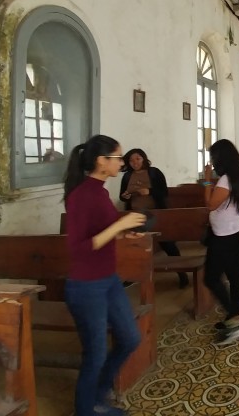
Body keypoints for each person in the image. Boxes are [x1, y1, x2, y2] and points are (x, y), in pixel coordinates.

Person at [63, 135, 147, 416]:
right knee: (95, 354)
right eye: (117, 158)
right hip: (86, 286)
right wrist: (118, 226)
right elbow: (79, 248)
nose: (122, 163)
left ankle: (99, 394)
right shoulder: (81, 195)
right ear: (102, 161)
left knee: (130, 338)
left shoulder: (99, 191)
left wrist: (124, 230)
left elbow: (104, 228)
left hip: (107, 279)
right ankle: (86, 410)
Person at [201, 139, 239, 345]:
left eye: (214, 158)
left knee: (211, 278)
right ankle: (234, 317)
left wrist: (205, 180)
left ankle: (235, 319)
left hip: (225, 237)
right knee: (233, 275)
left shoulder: (224, 180)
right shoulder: (236, 176)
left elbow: (210, 205)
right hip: (234, 230)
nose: (212, 162)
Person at [120, 148, 188, 289]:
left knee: (167, 244)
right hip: (135, 215)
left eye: (137, 159)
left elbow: (164, 192)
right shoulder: (127, 176)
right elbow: (122, 195)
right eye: (131, 160)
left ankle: (182, 274)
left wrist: (149, 191)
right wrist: (125, 196)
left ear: (144, 159)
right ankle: (132, 275)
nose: (135, 163)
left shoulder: (154, 172)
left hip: (156, 214)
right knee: (134, 245)